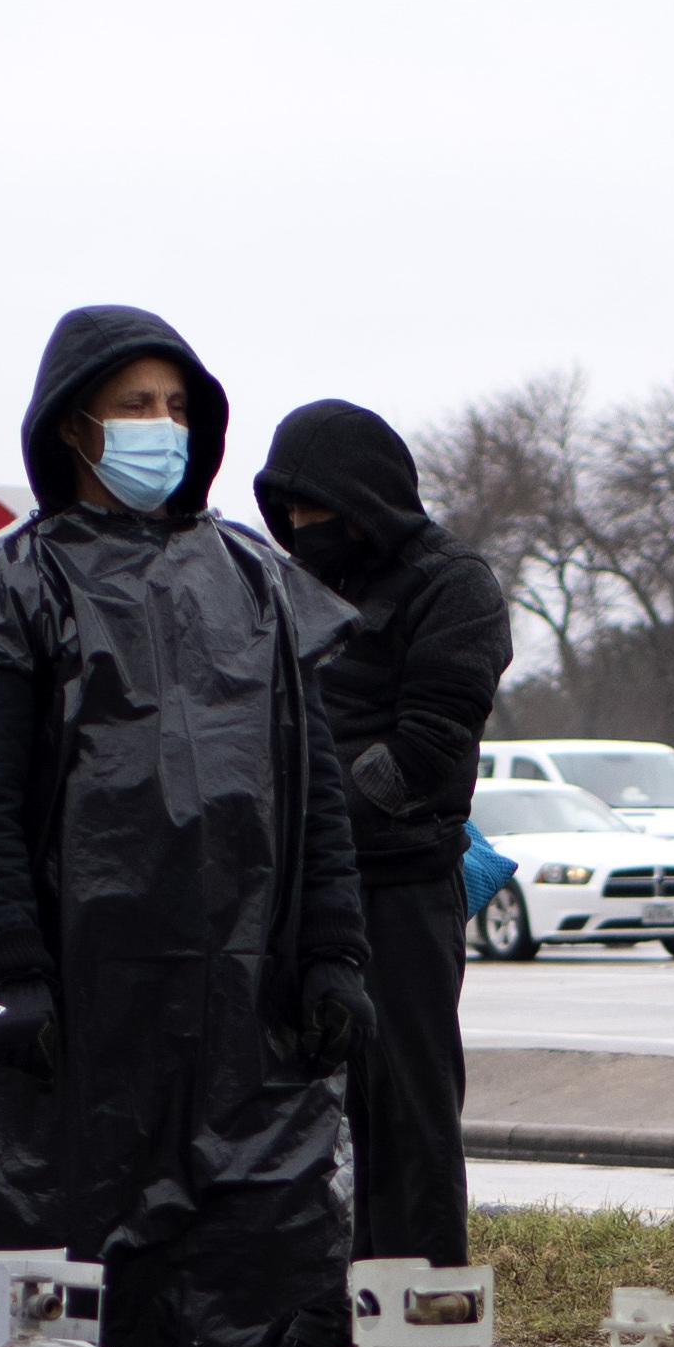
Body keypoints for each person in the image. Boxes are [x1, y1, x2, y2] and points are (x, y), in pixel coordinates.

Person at [0, 302, 380, 1347]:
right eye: (136, 406)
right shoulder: (4, 590)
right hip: (79, 978)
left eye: (176, 406)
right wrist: (8, 970)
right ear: (73, 423)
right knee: (55, 1223)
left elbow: (313, 790)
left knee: (246, 1222)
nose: (159, 429)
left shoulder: (255, 583)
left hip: (238, 978)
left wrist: (332, 947)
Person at [256, 399, 510, 1268]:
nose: (298, 528)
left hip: (400, 890)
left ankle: (420, 1306)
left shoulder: (454, 584)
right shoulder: (283, 587)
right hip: (290, 889)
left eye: (314, 509)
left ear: (363, 501)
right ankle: (311, 1314)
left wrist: (310, 820)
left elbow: (430, 753)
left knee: (406, 1116)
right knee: (288, 1118)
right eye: (285, 512)